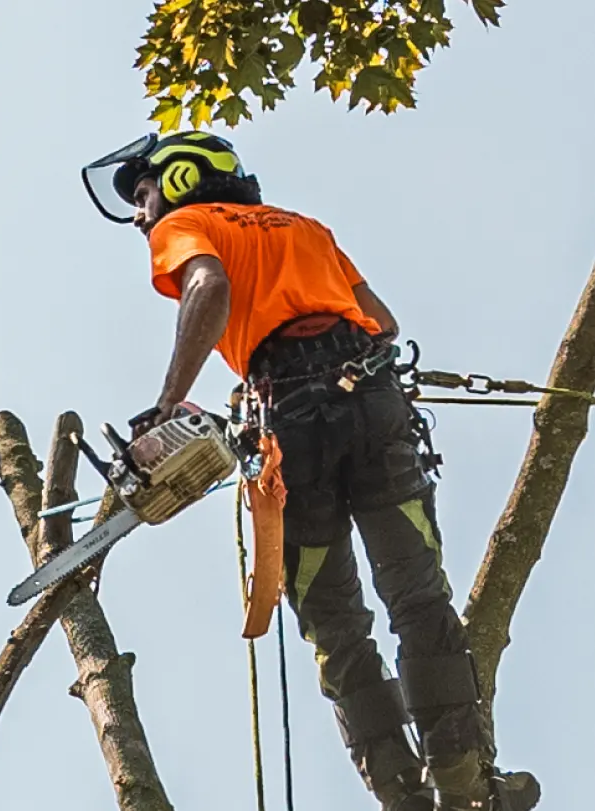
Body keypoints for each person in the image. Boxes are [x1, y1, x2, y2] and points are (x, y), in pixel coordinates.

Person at [79, 130, 540, 811]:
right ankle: (465, 779)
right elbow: (379, 322)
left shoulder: (186, 224)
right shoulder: (304, 228)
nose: (140, 214)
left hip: (287, 427)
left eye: (142, 195)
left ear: (177, 179)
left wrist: (169, 403)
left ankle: (399, 792)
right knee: (418, 597)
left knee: (335, 625)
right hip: (372, 404)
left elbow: (208, 285)